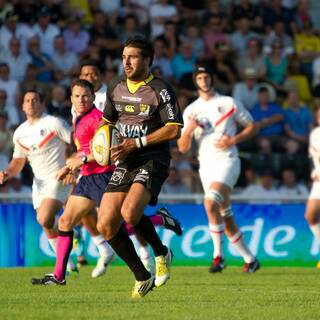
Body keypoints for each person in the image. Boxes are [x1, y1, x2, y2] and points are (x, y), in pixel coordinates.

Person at [97, 36, 183, 298]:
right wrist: (100, 148)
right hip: (125, 158)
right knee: (106, 225)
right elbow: (107, 123)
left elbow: (173, 130)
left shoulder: (161, 89)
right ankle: (141, 276)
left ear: (147, 60)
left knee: (130, 213)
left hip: (152, 157)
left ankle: (161, 252)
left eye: (132, 57)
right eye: (124, 57)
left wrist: (138, 142)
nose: (126, 61)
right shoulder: (115, 87)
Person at [177, 66, 260, 274]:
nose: (204, 80)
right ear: (196, 82)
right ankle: (250, 259)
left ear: (211, 79)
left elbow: (252, 126)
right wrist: (189, 129)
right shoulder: (191, 110)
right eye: (200, 77)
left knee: (210, 203)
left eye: (206, 76)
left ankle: (218, 257)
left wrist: (233, 139)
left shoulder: (228, 102)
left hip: (227, 160)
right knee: (225, 214)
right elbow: (183, 148)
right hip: (206, 165)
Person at [0, 90, 76, 272]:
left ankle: (70, 231)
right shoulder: (20, 132)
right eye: (27, 100)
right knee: (46, 224)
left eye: (35, 100)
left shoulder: (53, 123)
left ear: (42, 103)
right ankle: (66, 260)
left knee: (43, 217)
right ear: (23, 106)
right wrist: (7, 173)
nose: (31, 103)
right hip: (39, 183)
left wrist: (73, 166)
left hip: (59, 177)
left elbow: (75, 143)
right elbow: (18, 162)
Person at [305, 107, 320, 267]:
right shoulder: (315, 134)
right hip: (318, 181)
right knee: (310, 215)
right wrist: (314, 170)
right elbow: (312, 156)